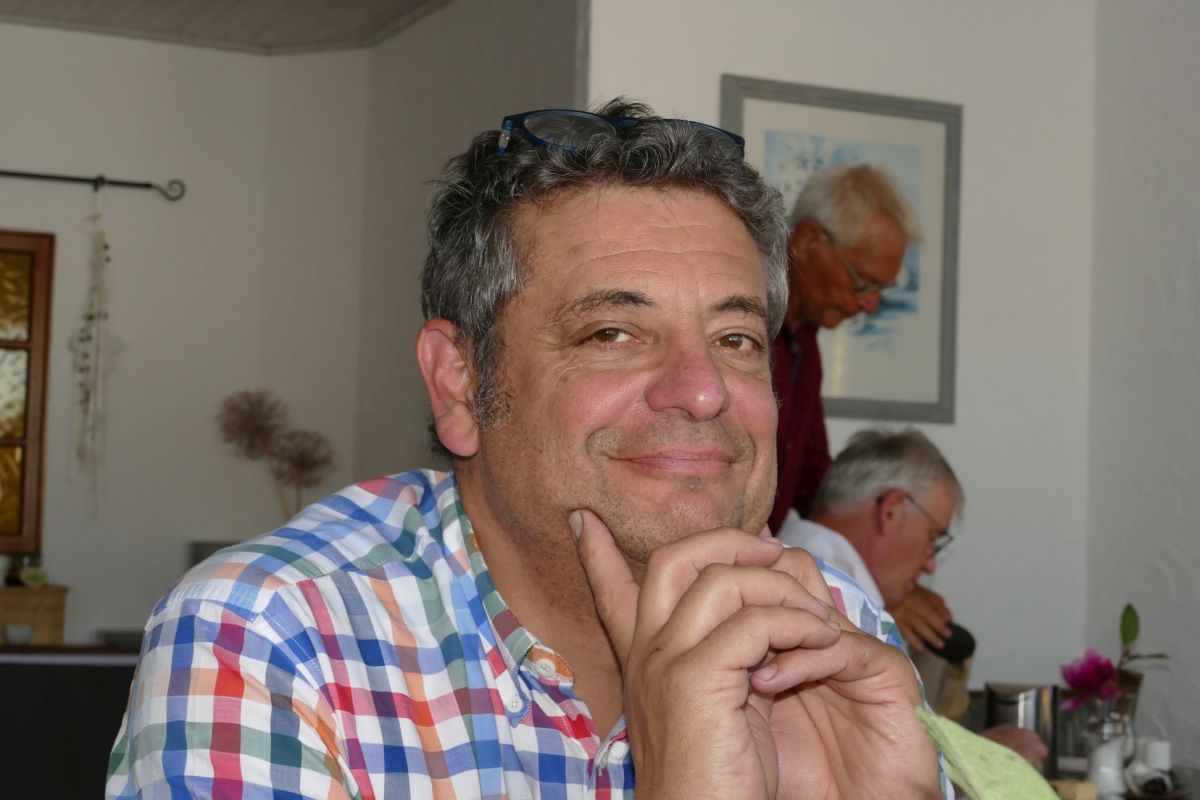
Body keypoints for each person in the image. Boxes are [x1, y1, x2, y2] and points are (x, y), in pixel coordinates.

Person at [106, 100, 948, 798]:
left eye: (736, 340)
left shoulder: (832, 626)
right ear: (460, 385)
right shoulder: (268, 636)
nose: (702, 393)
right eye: (611, 333)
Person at [777, 427, 1049, 769]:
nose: (930, 563)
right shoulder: (833, 593)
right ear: (891, 509)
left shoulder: (796, 558)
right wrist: (983, 758)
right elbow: (880, 769)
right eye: (933, 538)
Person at [769, 164, 921, 531]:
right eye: (863, 283)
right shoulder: (746, 328)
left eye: (881, 290)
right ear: (807, 241)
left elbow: (812, 477)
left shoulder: (805, 344)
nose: (871, 305)